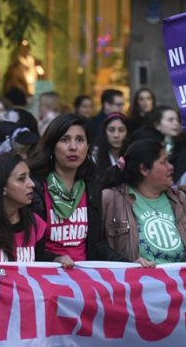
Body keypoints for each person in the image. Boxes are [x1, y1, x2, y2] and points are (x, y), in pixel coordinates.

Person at [101, 139, 186, 271]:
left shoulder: (181, 200)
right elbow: (97, 247)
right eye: (163, 162)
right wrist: (127, 265)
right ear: (144, 169)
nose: (171, 166)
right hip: (135, 286)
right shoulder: (111, 199)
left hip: (180, 286)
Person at [28, 113, 121, 267]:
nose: (73, 147)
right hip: (46, 277)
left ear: (88, 146)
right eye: (65, 140)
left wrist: (131, 265)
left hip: (85, 278)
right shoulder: (34, 186)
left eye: (80, 140)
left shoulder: (91, 186)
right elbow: (27, 247)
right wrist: (54, 259)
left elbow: (97, 245)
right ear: (52, 146)